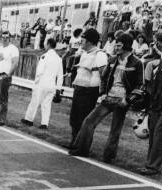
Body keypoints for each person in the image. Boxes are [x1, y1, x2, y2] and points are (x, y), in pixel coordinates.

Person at [69, 34, 143, 162]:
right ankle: (81, 150)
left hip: (122, 101)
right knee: (89, 121)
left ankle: (108, 158)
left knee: (115, 130)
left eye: (119, 45)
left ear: (126, 46)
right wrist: (103, 93)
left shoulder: (137, 62)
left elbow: (140, 85)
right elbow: (104, 78)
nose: (116, 47)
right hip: (108, 98)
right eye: (116, 45)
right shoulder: (112, 59)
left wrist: (128, 100)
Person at [69, 29, 108, 147]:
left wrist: (102, 93)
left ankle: (82, 145)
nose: (81, 42)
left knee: (84, 119)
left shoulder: (100, 55)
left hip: (89, 91)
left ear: (90, 41)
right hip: (79, 89)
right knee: (74, 118)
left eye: (83, 40)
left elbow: (104, 75)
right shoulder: (84, 53)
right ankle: (74, 142)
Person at [21, 38, 64, 129]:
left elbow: (39, 71)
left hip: (42, 82)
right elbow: (60, 75)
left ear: (48, 44)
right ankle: (44, 123)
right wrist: (58, 89)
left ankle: (29, 119)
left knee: (35, 101)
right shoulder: (58, 58)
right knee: (47, 104)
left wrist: (36, 82)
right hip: (52, 84)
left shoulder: (44, 56)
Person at [138, 32, 162, 175]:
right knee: (153, 136)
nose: (155, 45)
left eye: (156, 42)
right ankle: (150, 164)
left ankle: (153, 166)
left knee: (159, 137)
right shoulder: (155, 64)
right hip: (155, 103)